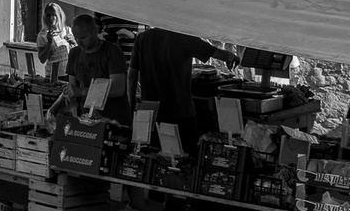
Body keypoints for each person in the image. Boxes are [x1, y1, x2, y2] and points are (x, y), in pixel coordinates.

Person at [129, 28, 239, 157]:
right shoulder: (183, 37)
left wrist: (131, 104)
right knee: (183, 161)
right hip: (179, 112)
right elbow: (222, 55)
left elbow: (132, 74)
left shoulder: (143, 38)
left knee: (152, 160)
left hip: (148, 113)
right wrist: (234, 56)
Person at [53, 13, 131, 126]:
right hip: (88, 120)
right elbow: (73, 88)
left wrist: (83, 91)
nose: (79, 42)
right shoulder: (75, 53)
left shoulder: (112, 51)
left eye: (83, 37)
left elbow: (118, 89)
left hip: (115, 121)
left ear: (95, 32)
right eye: (76, 38)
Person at [36, 2, 73, 80]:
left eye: (54, 15)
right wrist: (49, 43)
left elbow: (77, 50)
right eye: (48, 15)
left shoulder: (67, 30)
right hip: (52, 75)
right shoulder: (42, 35)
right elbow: (42, 59)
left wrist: (73, 42)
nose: (51, 18)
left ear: (59, 16)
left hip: (68, 72)